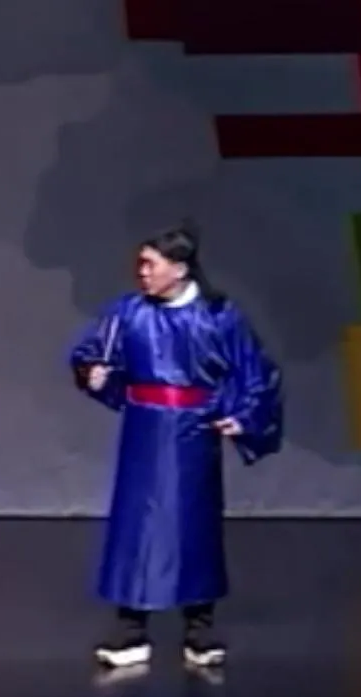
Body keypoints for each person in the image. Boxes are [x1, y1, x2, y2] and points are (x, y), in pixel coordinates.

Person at [68, 223, 284, 669]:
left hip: (193, 431)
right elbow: (92, 353)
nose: (142, 272)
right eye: (141, 264)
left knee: (194, 524)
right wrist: (93, 374)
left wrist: (243, 415)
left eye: (151, 264)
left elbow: (254, 371)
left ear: (180, 269)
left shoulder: (218, 315)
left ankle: (198, 626)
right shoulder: (127, 312)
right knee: (137, 526)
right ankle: (131, 628)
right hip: (144, 430)